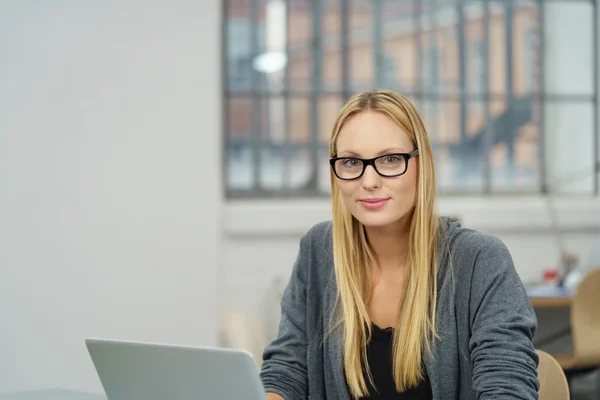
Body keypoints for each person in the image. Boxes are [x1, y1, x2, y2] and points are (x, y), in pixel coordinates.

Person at [259, 89, 539, 399]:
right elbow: (287, 372)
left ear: (423, 165)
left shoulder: (480, 261)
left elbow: (507, 387)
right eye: (351, 162)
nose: (369, 181)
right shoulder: (319, 251)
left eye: (391, 159)